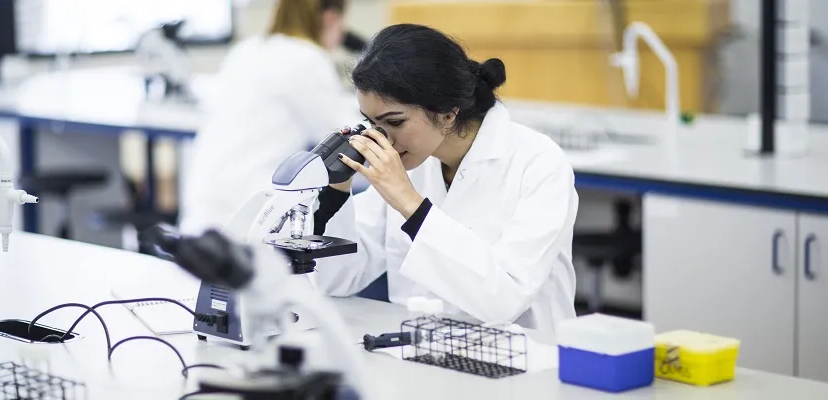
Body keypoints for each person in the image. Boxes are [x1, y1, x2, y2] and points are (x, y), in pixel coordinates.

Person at [311, 24, 580, 334]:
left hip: (524, 362)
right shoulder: (415, 161)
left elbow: (504, 301)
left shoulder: (538, 163)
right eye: (369, 123)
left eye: (393, 122)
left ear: (448, 114)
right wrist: (336, 191)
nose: (379, 138)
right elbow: (336, 281)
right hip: (422, 354)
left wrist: (411, 205)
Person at [178, 0, 360, 235]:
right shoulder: (307, 58)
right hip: (250, 210)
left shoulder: (247, 49)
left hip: (203, 204)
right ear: (331, 18)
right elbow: (342, 132)